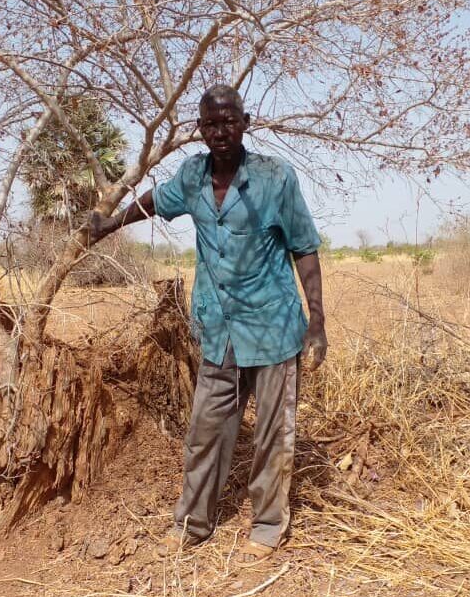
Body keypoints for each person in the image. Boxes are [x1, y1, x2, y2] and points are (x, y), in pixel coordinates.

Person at [88, 85, 328, 565]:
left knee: (272, 437)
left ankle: (267, 526)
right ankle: (193, 523)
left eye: (229, 121)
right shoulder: (193, 175)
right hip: (219, 331)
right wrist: (109, 225)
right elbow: (158, 199)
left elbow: (304, 246)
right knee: (205, 432)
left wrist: (317, 320)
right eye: (211, 124)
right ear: (200, 129)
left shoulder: (274, 178)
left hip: (274, 328)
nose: (221, 132)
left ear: (245, 122)